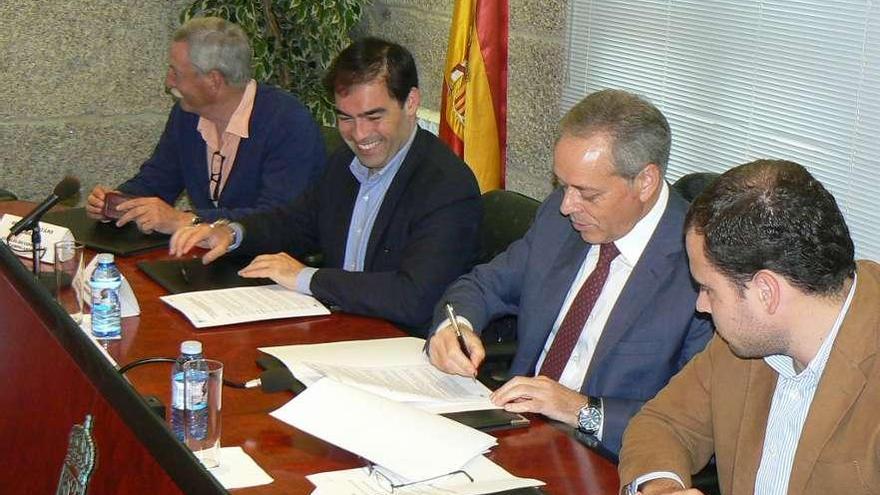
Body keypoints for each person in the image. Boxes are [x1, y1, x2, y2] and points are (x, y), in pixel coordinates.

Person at [427, 89, 713, 456]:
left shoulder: (700, 270)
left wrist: (580, 410)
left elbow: (697, 420)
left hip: (607, 461)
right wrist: (455, 327)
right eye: (563, 185)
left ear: (645, 182)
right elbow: (481, 285)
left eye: (587, 193)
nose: (566, 205)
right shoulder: (559, 222)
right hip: (518, 432)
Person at [169, 38, 481, 335]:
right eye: (345, 118)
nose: (359, 134)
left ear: (411, 102)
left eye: (373, 116)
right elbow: (295, 223)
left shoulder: (447, 186)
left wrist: (307, 277)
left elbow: (414, 299)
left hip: (403, 348)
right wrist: (231, 232)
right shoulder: (344, 164)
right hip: (338, 327)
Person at [617, 160, 879, 495]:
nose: (701, 305)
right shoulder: (742, 343)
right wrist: (662, 486)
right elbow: (663, 423)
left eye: (709, 289)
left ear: (766, 293)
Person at [85, 17, 325, 234]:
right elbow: (157, 181)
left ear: (213, 80)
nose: (168, 82)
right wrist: (115, 202)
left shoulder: (288, 122)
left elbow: (277, 221)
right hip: (208, 260)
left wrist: (186, 220)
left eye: (176, 73)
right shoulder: (186, 114)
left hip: (269, 268)